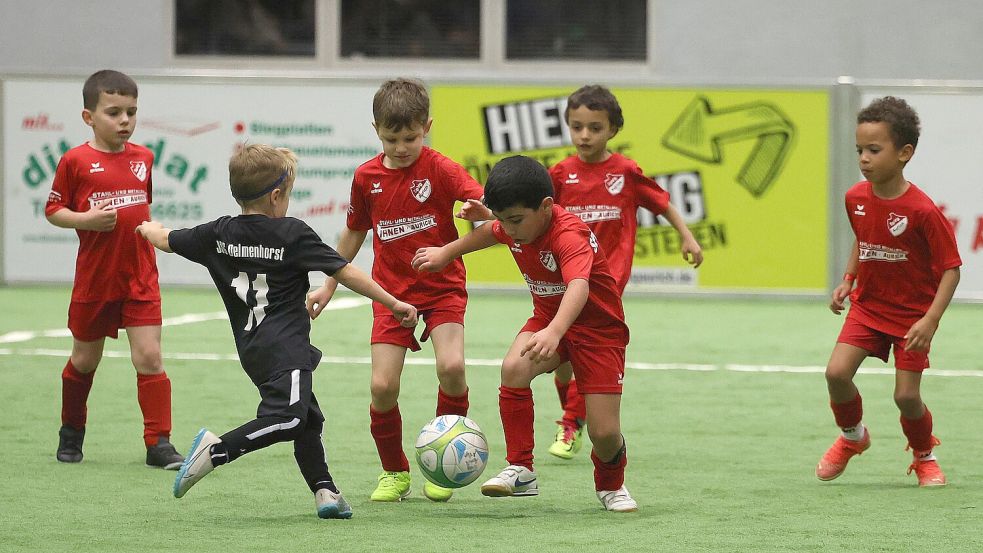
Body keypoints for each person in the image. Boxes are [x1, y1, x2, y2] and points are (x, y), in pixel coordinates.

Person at [136, 144, 418, 519]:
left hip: (252, 350)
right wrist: (393, 302)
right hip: (287, 348)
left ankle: (325, 492)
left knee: (309, 418)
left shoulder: (216, 232)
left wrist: (146, 226)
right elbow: (345, 271)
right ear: (276, 195)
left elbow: (165, 239)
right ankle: (216, 450)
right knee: (289, 418)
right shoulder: (292, 233)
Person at [413, 155, 639, 513]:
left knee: (604, 434)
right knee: (514, 369)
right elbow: (491, 232)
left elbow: (579, 287)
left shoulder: (569, 234)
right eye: (503, 218)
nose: (509, 228)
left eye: (515, 220)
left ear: (546, 207)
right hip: (549, 318)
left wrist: (555, 331)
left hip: (598, 332)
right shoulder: (514, 225)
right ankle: (522, 468)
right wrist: (446, 252)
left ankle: (611, 485)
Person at [305, 78, 484, 503]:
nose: (401, 146)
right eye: (391, 138)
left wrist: (480, 211)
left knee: (453, 368)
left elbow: (487, 211)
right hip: (391, 294)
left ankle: (445, 466)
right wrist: (328, 284)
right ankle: (394, 472)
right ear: (376, 130)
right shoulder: (366, 177)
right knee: (383, 387)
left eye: (411, 137)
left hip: (442, 290)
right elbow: (352, 234)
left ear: (427, 127)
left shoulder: (441, 168)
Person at [817, 96, 961, 487]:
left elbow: (952, 269)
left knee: (906, 398)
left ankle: (924, 455)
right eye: (859, 150)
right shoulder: (855, 198)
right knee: (836, 373)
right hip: (868, 308)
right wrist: (848, 279)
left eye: (873, 150)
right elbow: (863, 240)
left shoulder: (923, 211)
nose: (863, 158)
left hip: (912, 317)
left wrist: (930, 320)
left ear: (904, 153)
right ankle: (852, 437)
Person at [45, 69, 184, 469]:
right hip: (95, 280)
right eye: (114, 112)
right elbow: (54, 210)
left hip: (140, 276)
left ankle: (158, 443)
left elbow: (141, 208)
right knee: (85, 360)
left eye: (131, 112)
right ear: (89, 117)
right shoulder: (75, 161)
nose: (125, 120)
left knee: (150, 356)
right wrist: (85, 220)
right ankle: (71, 431)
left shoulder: (144, 157)